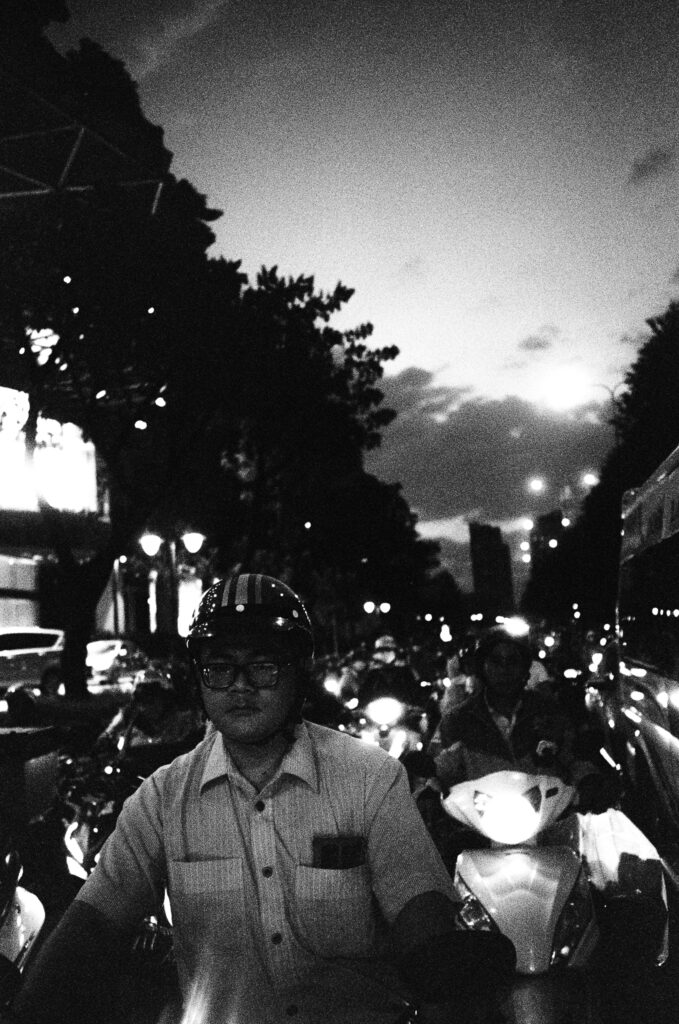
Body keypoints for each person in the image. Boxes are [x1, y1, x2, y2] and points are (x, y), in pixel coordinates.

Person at [6, 574, 515, 1024]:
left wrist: (437, 957)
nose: (240, 687)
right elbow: (92, 926)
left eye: (264, 666)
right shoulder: (161, 799)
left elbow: (416, 907)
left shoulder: (370, 778)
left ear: (299, 671)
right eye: (220, 667)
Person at [430, 625, 612, 805]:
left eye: (512, 661)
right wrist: (429, 789)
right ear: (482, 667)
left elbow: (574, 759)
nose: (504, 670)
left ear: (525, 668)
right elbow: (439, 769)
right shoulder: (458, 720)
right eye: (495, 661)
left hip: (548, 823)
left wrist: (590, 780)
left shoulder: (549, 712)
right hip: (478, 825)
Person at [359, 634, 422, 707]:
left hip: (403, 711)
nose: (384, 654)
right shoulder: (373, 673)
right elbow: (364, 692)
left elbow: (415, 690)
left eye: (388, 650)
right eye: (381, 651)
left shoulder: (405, 670)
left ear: (395, 652)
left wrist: (415, 705)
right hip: (378, 711)